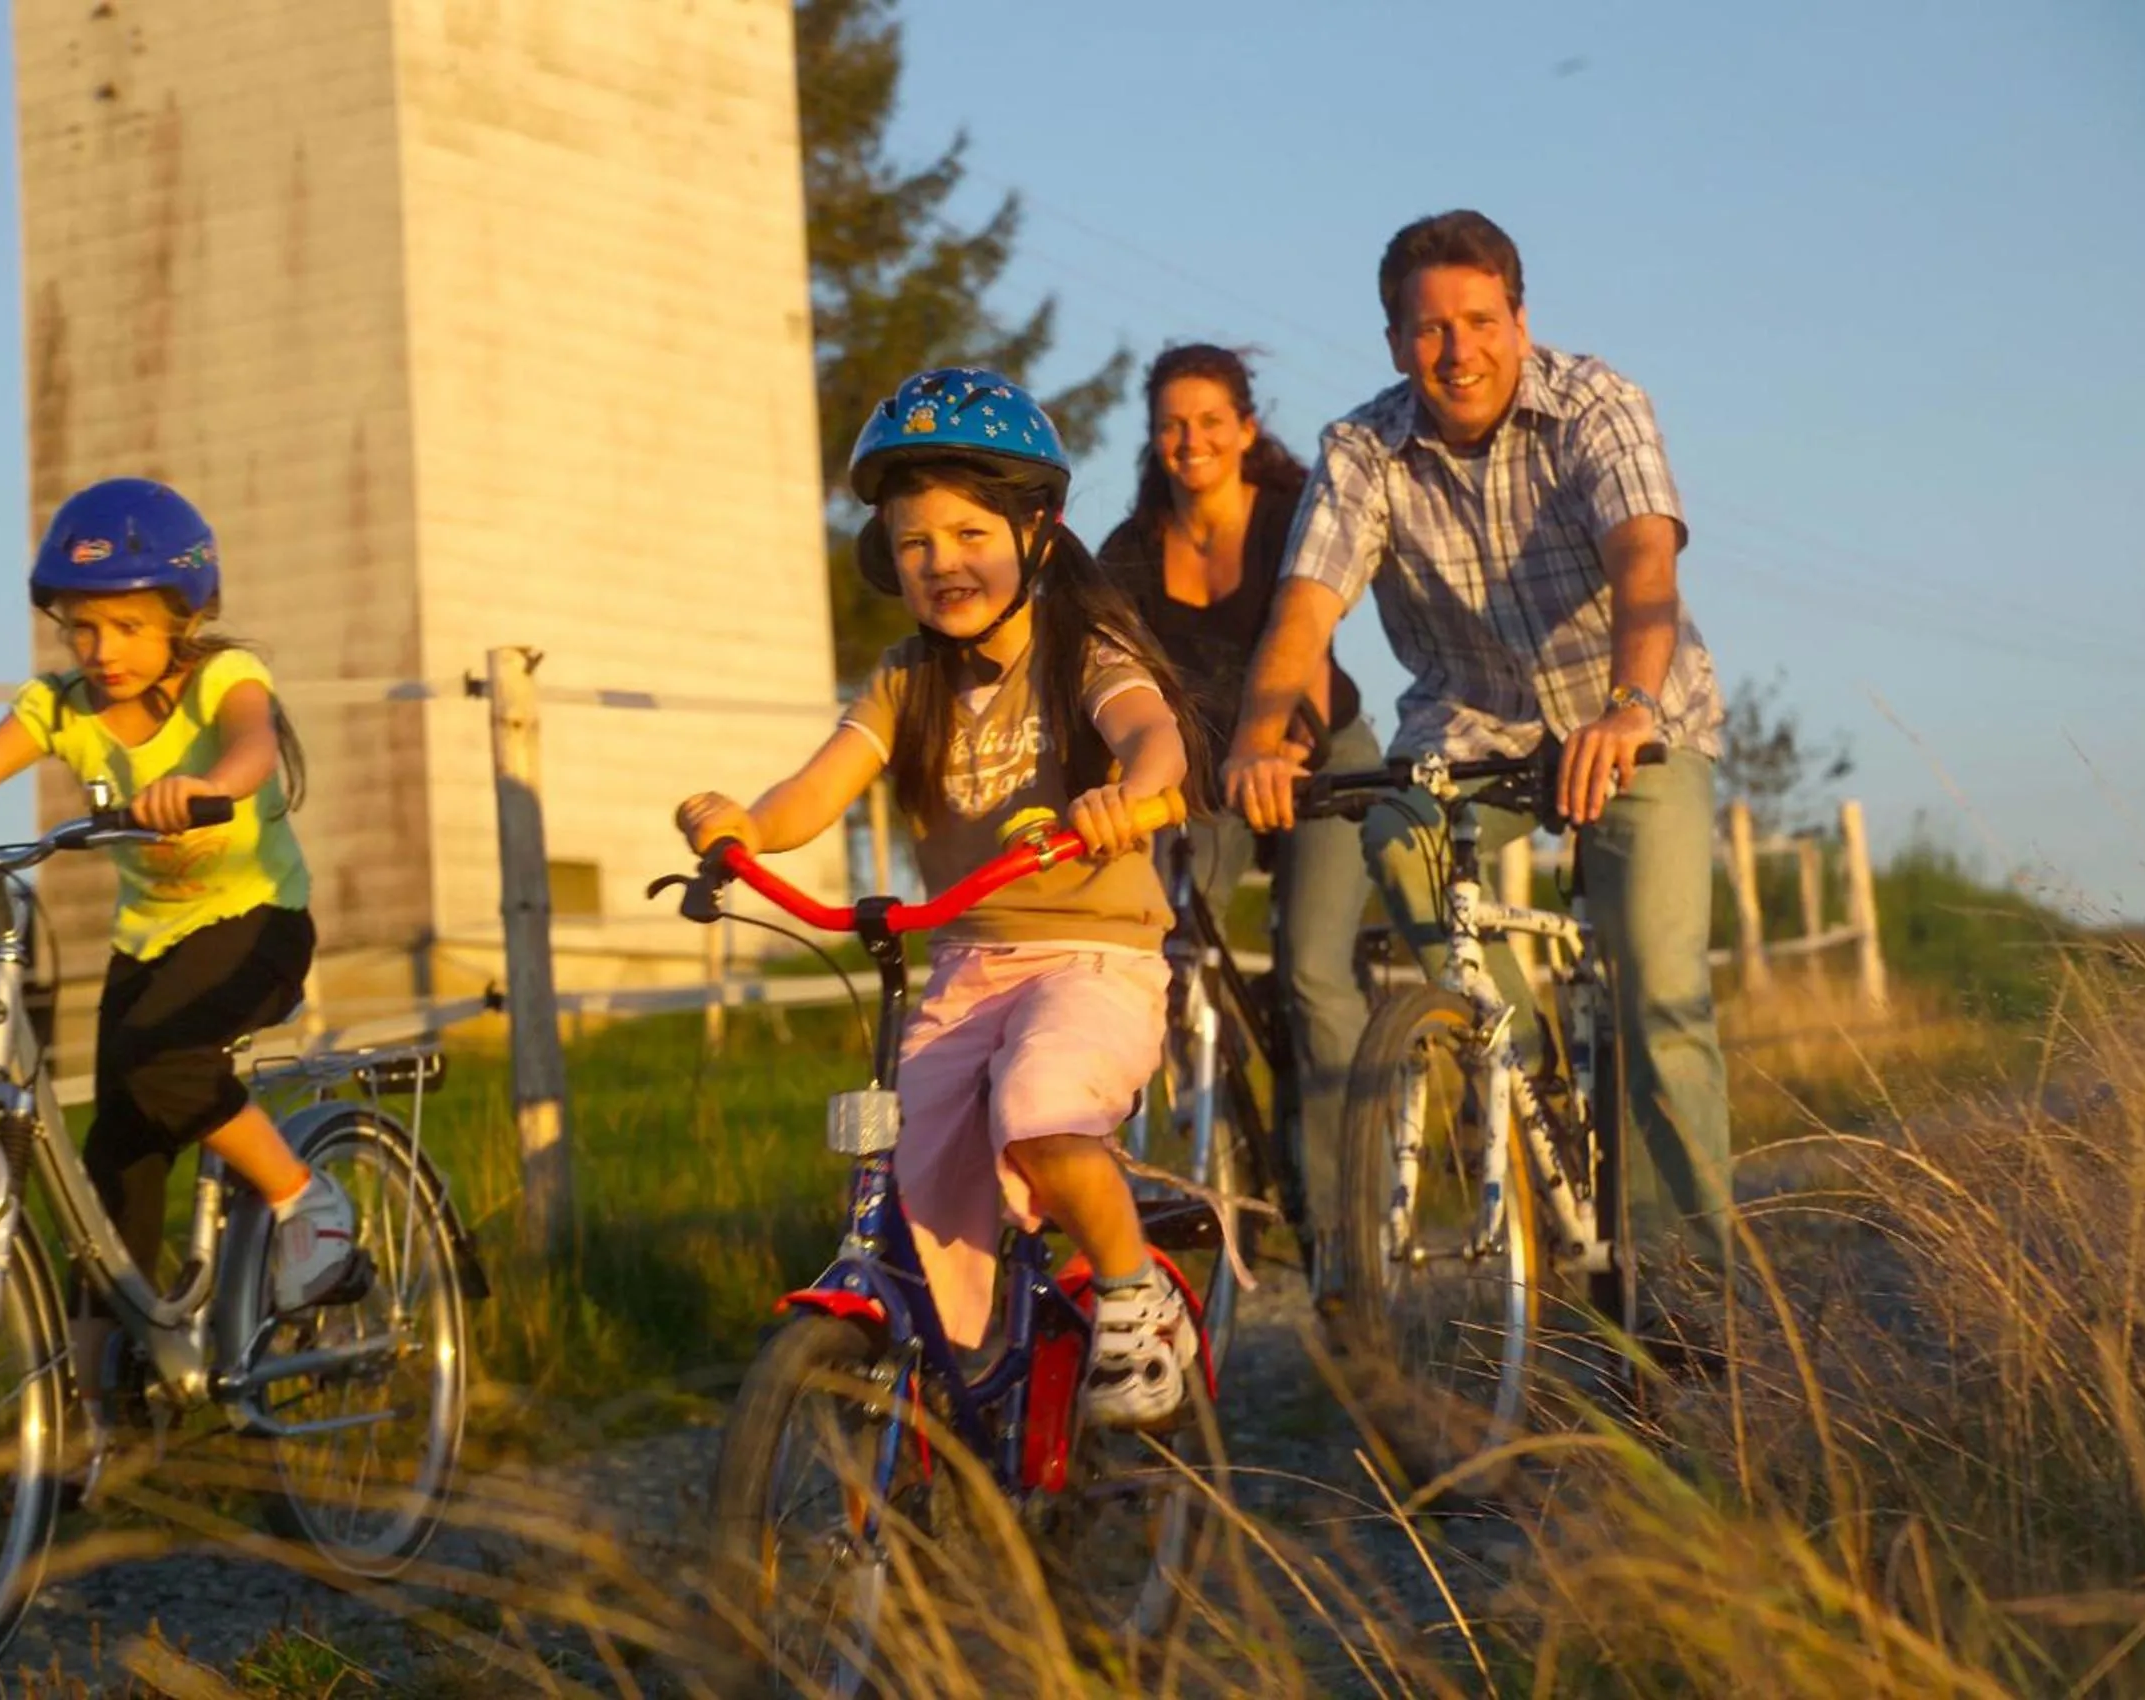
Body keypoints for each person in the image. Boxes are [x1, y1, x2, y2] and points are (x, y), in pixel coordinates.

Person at [0, 477, 362, 1490]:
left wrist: (210, 787)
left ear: (185, 617)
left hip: (255, 924)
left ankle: (302, 1198)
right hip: (148, 942)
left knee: (167, 1067)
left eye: (127, 625)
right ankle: (100, 1415)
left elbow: (252, 740)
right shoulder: (58, 707)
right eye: (81, 626)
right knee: (111, 1162)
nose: (101, 648)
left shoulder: (218, 677)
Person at [675, 367, 1208, 1427]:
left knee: (1043, 1109)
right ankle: (970, 1378)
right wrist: (744, 822)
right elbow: (818, 786)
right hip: (968, 963)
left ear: (1036, 534)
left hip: (1093, 960)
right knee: (915, 1178)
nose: (941, 562)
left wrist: (1130, 794)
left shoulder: (1080, 652)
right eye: (915, 544)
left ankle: (1135, 1293)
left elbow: (1155, 737)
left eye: (970, 534)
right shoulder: (904, 681)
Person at [1222, 209, 1733, 1293]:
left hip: (1632, 721)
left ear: (1520, 316)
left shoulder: (1598, 404)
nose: (1458, 351)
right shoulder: (1363, 448)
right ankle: (1523, 1062)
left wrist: (1631, 705)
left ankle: (1693, 1286)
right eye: (1428, 329)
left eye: (1479, 320)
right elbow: (1304, 613)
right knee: (1396, 835)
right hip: (1471, 720)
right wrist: (1258, 742)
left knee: (1662, 999)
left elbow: (1646, 565)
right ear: (1394, 340)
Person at [1095, 344, 1383, 1275]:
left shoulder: (1295, 520)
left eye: (1211, 421)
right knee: (1170, 954)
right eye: (1173, 425)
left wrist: (1283, 733)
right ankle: (1211, 1174)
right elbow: (1106, 661)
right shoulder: (1135, 550)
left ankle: (1345, 1228)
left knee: (1311, 976)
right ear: (1153, 440)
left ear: (1246, 430)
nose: (1192, 441)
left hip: (1318, 760)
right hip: (1205, 779)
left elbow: (1306, 634)